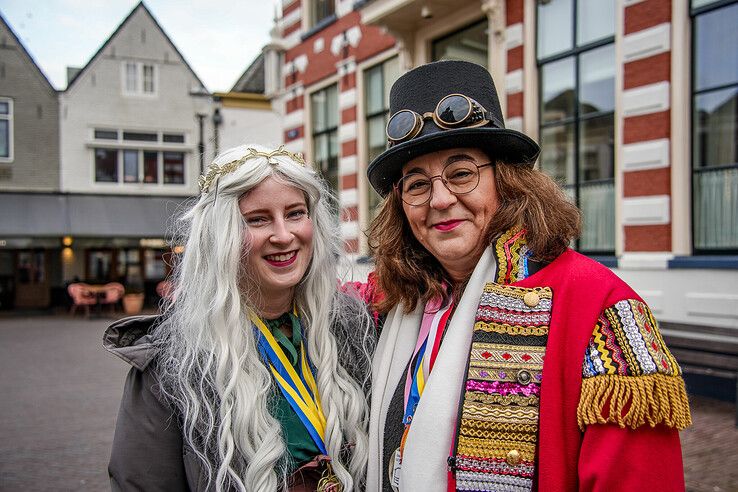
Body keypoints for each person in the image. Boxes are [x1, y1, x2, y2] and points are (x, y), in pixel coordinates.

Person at [364, 60, 691, 491]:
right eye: (417, 185)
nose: (440, 199)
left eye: (461, 174)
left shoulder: (600, 306)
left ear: (507, 180)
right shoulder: (396, 300)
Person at [104, 144, 375, 491]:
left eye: (295, 213)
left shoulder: (354, 326)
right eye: (257, 219)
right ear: (220, 235)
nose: (282, 235)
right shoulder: (172, 364)